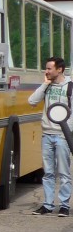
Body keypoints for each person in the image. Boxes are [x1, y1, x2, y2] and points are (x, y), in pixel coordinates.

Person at [27, 56, 72, 215]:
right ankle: (47, 205)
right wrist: (45, 83)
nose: (46, 71)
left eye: (49, 69)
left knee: (64, 172)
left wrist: (69, 131)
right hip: (47, 134)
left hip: (62, 136)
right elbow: (32, 101)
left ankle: (64, 206)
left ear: (59, 69)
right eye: (46, 68)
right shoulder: (46, 86)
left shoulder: (70, 86)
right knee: (48, 172)